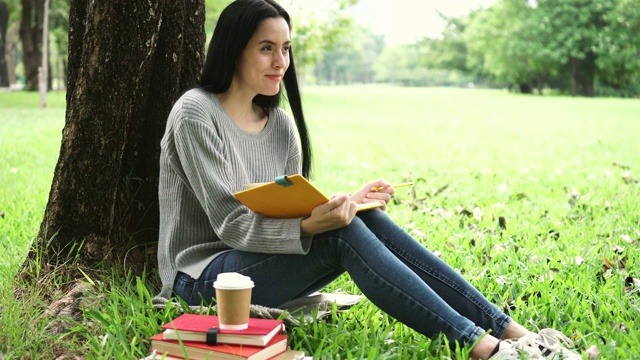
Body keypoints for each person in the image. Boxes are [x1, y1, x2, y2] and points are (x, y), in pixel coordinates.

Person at [156, 1, 582, 359]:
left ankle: (517, 335)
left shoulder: (280, 124)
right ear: (233, 51)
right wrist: (312, 226)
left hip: (259, 266)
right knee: (341, 236)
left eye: (286, 48)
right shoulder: (196, 112)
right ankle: (483, 348)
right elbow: (230, 223)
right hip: (201, 281)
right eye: (266, 48)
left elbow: (279, 203)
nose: (280, 61)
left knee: (364, 221)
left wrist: (349, 203)